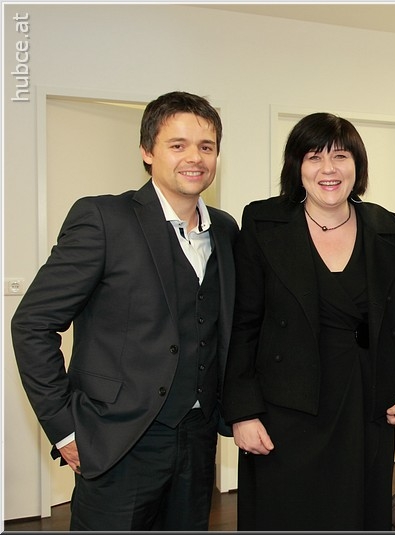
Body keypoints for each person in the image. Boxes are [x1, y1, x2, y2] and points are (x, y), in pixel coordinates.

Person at [10, 91, 239, 530]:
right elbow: (32, 324)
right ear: (147, 151)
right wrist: (65, 429)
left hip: (198, 438)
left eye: (206, 146)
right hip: (117, 439)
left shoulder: (226, 230)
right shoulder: (103, 219)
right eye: (178, 145)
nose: (195, 157)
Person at [222, 112, 395, 531]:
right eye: (314, 157)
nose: (328, 169)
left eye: (340, 156)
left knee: (356, 516)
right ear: (297, 167)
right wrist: (243, 412)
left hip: (365, 405)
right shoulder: (264, 222)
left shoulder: (386, 228)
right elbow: (244, 324)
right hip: (284, 412)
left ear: (357, 165)